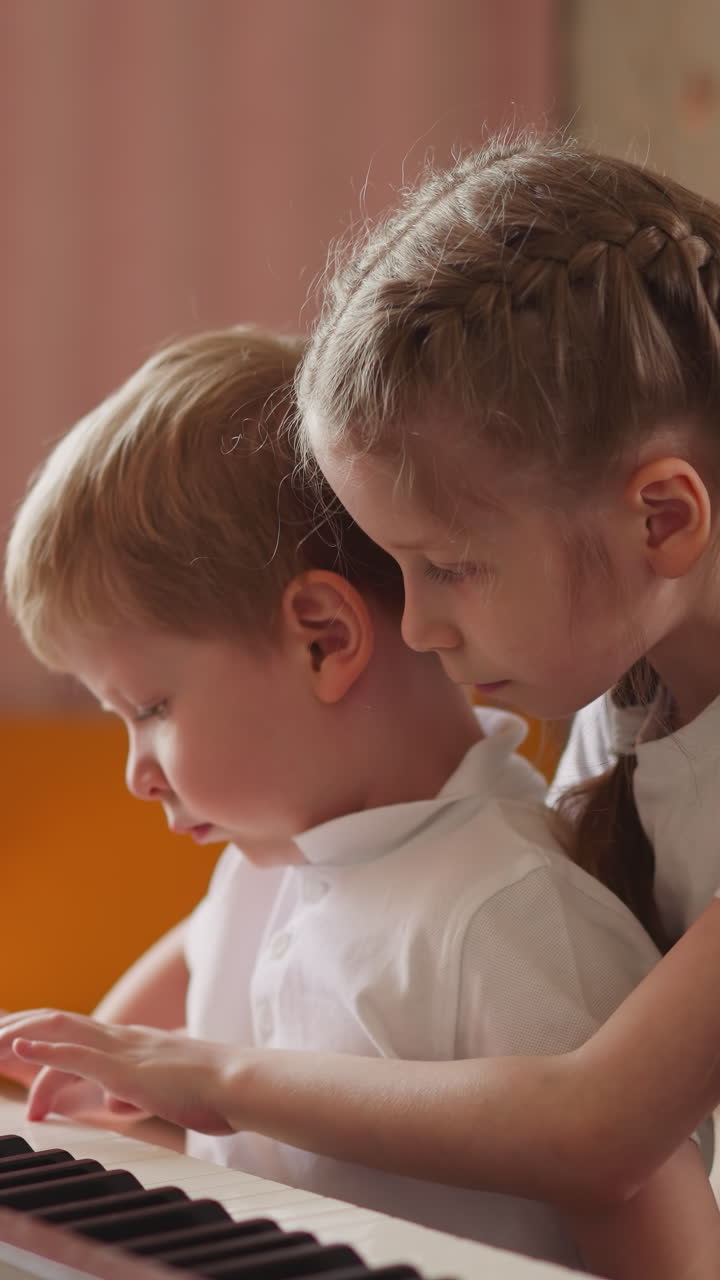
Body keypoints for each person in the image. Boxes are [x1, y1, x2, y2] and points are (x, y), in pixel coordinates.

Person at [1, 325, 713, 1277]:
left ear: (324, 640)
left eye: (152, 709)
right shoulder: (275, 863)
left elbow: (663, 1235)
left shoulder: (508, 917)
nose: (138, 770)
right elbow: (114, 1051)